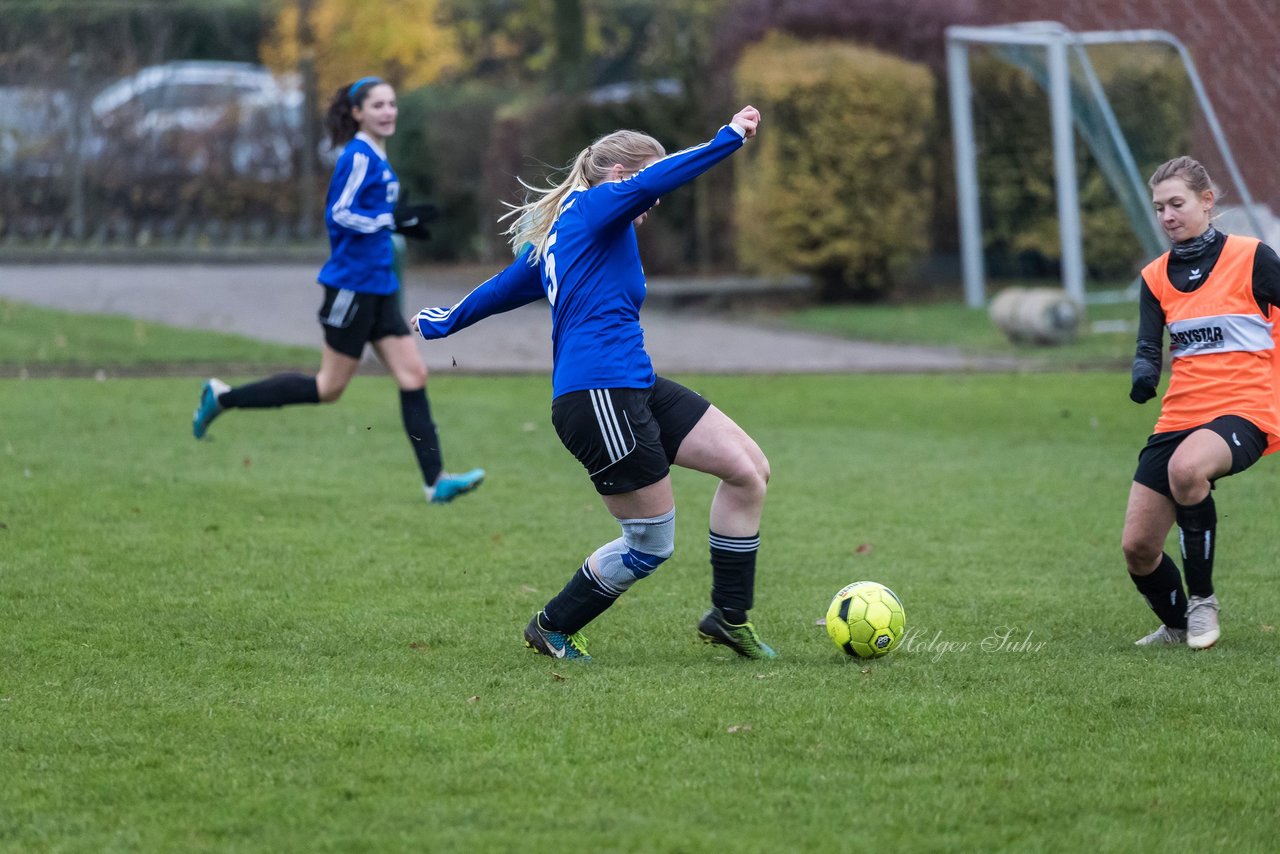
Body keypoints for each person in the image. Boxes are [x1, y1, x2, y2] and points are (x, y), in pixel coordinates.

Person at [413, 106, 775, 661]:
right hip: (598, 396)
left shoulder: (572, 231)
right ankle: (552, 626)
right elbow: (655, 179)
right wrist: (727, 138)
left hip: (635, 385)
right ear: (617, 177)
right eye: (642, 185)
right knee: (651, 544)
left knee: (748, 470)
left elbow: (500, 289)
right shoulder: (594, 206)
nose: (652, 202)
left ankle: (728, 616)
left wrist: (443, 320)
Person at [191, 76, 484, 505]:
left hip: (379, 286)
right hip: (351, 288)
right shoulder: (359, 156)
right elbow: (339, 213)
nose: (388, 111)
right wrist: (390, 221)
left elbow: (369, 214)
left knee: (412, 374)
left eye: (392, 104)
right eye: (378, 105)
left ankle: (435, 481)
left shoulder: (377, 156)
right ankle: (223, 397)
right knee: (329, 387)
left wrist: (392, 221)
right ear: (357, 113)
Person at [1124, 155, 1280, 649]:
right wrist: (1144, 373)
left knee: (1189, 469)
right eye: (1159, 208)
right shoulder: (1155, 276)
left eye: (1177, 203)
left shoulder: (1252, 256)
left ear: (1206, 201)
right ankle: (1174, 626)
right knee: (1138, 548)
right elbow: (1150, 344)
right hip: (1180, 414)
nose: (1167, 215)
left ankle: (1203, 604)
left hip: (1247, 408)